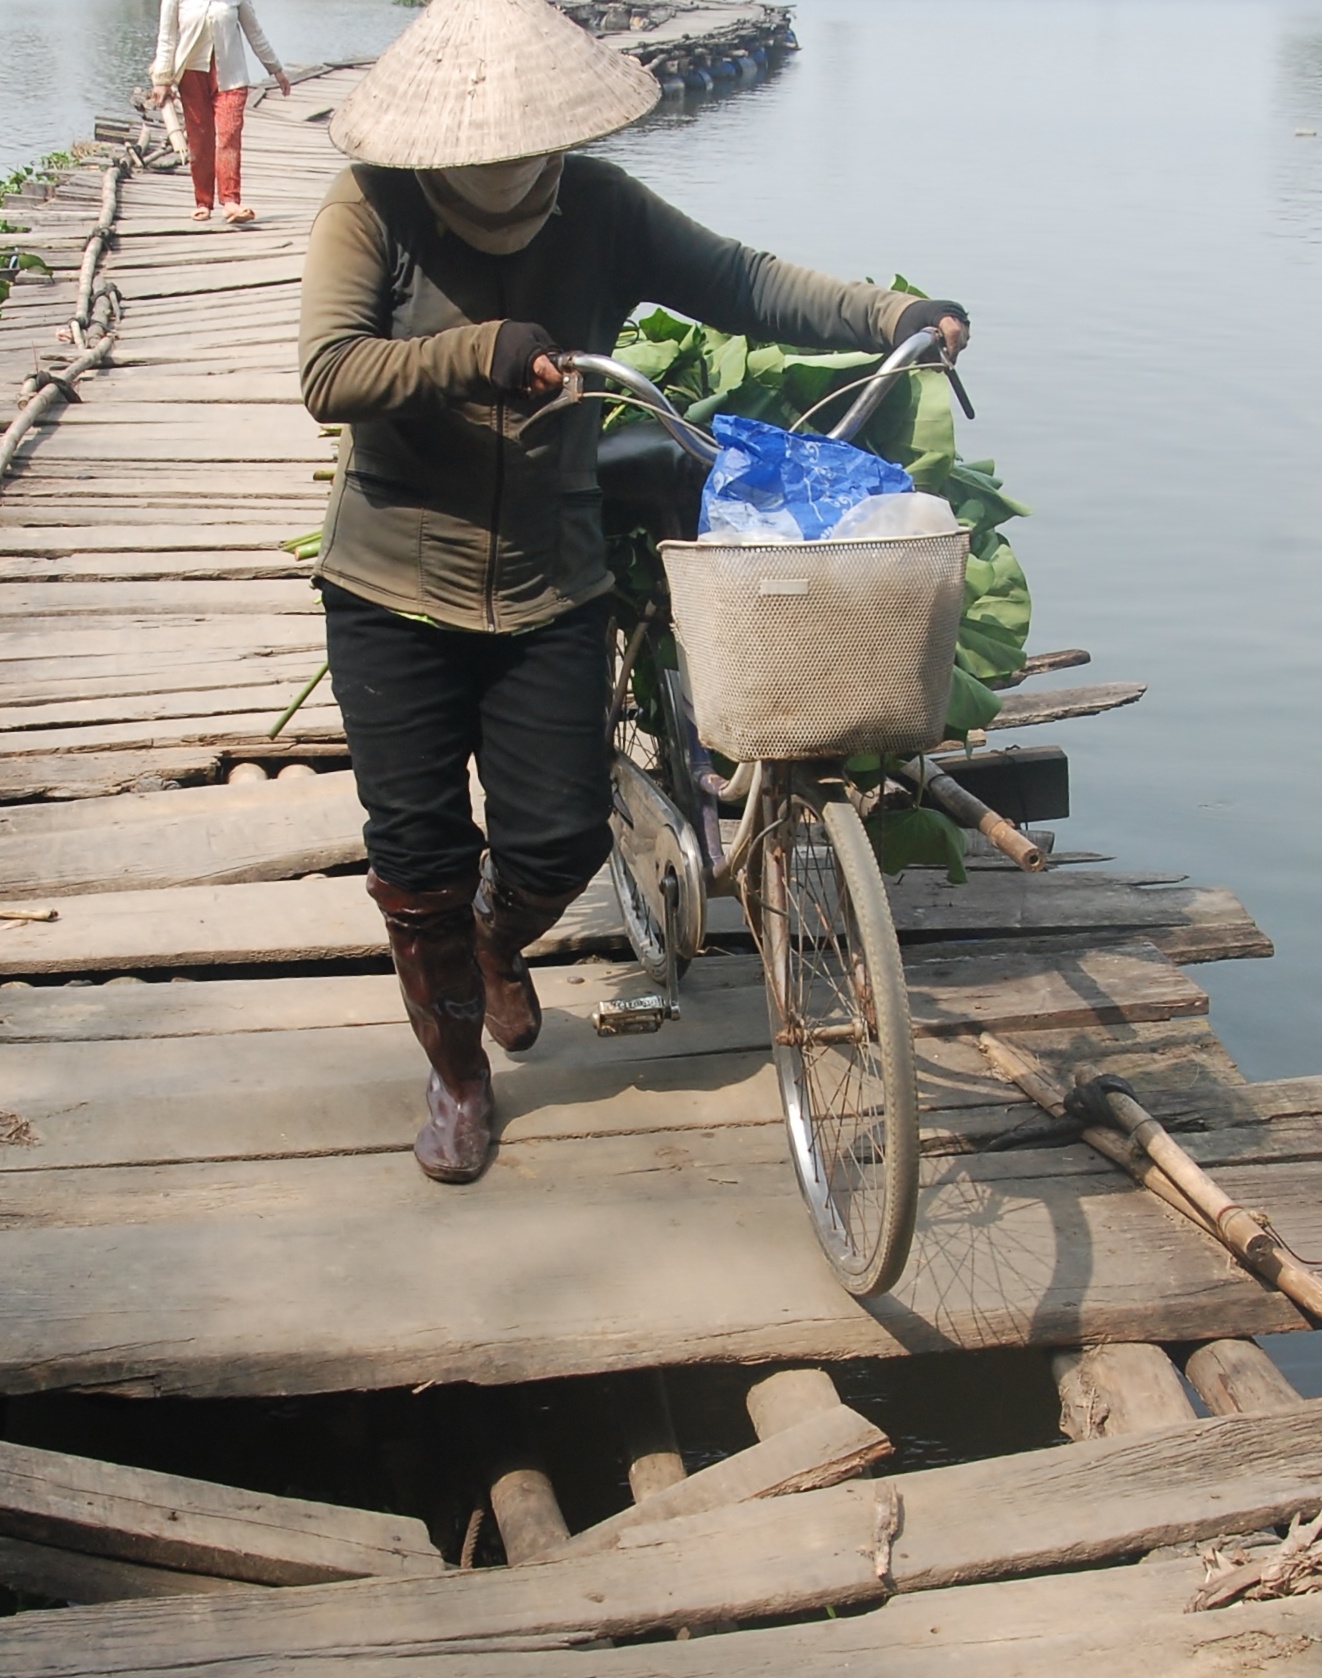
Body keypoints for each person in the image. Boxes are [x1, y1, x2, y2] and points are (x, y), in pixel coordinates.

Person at [299, 0, 971, 1185]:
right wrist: (478, 349)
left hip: (553, 577)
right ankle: (458, 1077)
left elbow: (742, 281)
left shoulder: (598, 206)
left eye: (528, 140)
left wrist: (891, 315)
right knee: (417, 851)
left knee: (555, 839)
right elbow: (330, 370)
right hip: (391, 585)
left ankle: (494, 945)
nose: (507, 161)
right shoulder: (373, 206)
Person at [151, 0, 293, 223]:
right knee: (200, 139)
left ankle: (230, 201)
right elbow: (167, 38)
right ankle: (203, 202)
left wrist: (276, 69)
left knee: (229, 135)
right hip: (191, 75)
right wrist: (162, 79)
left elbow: (254, 32)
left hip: (232, 77)